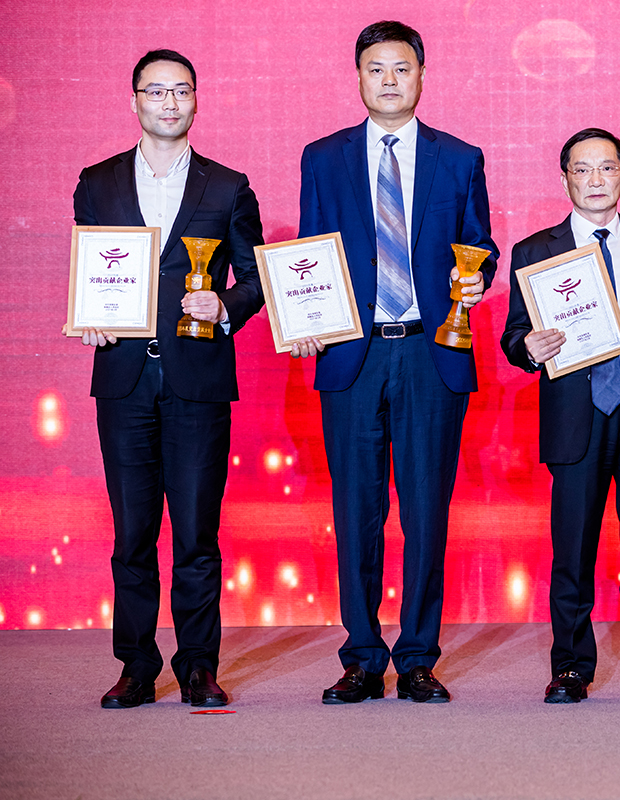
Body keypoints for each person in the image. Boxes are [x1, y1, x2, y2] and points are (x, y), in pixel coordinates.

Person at [293, 21, 498, 704]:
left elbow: (480, 245)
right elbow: (310, 252)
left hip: (430, 353)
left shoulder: (459, 157)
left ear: (422, 76)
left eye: (402, 68)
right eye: (376, 68)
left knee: (426, 512)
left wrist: (478, 278)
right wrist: (305, 320)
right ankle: (360, 656)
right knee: (356, 510)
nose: (389, 80)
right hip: (352, 353)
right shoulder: (322, 158)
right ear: (358, 76)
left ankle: (417, 657)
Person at [69, 49, 265, 708]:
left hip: (197, 379)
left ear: (196, 100)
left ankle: (198, 665)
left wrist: (225, 306)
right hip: (123, 379)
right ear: (134, 101)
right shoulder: (96, 183)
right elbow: (90, 270)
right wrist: (90, 316)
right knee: (131, 533)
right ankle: (135, 665)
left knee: (196, 533)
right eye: (156, 91)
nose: (169, 102)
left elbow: (256, 279)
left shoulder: (228, 186)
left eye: (181, 90)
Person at [501, 128, 620, 703]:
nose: (595, 179)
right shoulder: (534, 252)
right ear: (565, 179)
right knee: (572, 549)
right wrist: (527, 347)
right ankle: (570, 666)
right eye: (582, 169)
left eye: (607, 168)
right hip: (575, 408)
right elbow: (514, 334)